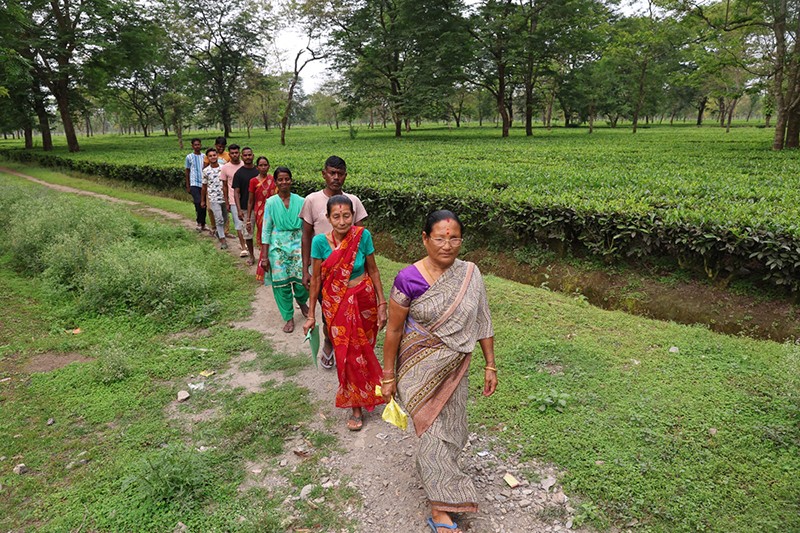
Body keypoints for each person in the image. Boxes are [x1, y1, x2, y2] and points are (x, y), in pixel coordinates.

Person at [380, 210, 497, 533]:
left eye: (454, 238)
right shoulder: (408, 279)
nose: (447, 245)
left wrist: (490, 363)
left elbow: (483, 321)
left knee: (453, 428)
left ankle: (445, 486)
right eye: (440, 238)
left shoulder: (470, 274)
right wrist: (388, 375)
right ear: (425, 238)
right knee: (432, 431)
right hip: (416, 371)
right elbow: (393, 331)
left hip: (455, 367)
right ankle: (439, 507)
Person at [303, 195, 387, 431]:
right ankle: (356, 406)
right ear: (328, 218)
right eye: (336, 216)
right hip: (336, 304)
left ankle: (372, 388)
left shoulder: (362, 236)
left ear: (353, 215)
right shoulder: (319, 243)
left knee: (364, 348)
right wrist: (311, 315)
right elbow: (317, 279)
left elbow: (374, 270)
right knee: (346, 354)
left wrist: (382, 304)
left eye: (347, 215)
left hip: (364, 300)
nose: (342, 221)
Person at [300, 156, 368, 368]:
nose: (335, 177)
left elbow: (360, 238)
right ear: (324, 174)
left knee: (354, 315)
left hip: (352, 274)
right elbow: (306, 236)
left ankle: (352, 351)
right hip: (324, 272)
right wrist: (306, 270)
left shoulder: (354, 201)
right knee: (330, 314)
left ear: (345, 176)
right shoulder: (312, 200)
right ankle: (329, 343)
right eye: (332, 173)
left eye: (340, 174)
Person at [260, 166, 310, 332]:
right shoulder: (271, 203)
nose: (284, 182)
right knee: (281, 285)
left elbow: (307, 228)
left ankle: (302, 302)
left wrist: (309, 252)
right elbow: (266, 229)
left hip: (298, 246)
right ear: (275, 182)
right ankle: (288, 317)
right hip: (278, 249)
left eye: (286, 179)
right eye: (280, 179)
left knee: (303, 281)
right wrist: (265, 257)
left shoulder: (301, 201)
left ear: (291, 180)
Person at [247, 156, 276, 281]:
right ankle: (263, 266)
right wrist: (248, 218)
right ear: (257, 167)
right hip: (260, 213)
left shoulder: (273, 179)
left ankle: (275, 266)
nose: (263, 167)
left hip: (274, 212)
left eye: (265, 165)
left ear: (269, 166)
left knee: (274, 237)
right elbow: (250, 200)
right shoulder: (253, 181)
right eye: (261, 165)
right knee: (264, 238)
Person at [219, 144, 248, 256]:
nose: (235, 155)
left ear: (239, 153)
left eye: (236, 153)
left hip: (246, 198)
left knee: (247, 222)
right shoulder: (225, 167)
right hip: (233, 199)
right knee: (238, 223)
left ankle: (247, 242)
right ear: (229, 154)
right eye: (232, 153)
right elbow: (225, 186)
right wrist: (226, 202)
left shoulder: (245, 165)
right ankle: (243, 246)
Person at [233, 147, 259, 265]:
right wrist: (238, 210)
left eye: (249, 155)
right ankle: (252, 256)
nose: (248, 157)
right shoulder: (239, 173)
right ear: (242, 157)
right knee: (248, 234)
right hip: (245, 208)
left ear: (253, 156)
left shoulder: (258, 171)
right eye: (245, 155)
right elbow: (236, 192)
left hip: (261, 207)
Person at [200, 148, 228, 249]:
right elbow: (204, 186)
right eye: (210, 156)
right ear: (208, 158)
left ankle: (219, 232)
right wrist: (203, 200)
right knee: (219, 218)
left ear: (217, 156)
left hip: (224, 197)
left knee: (225, 218)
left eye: (214, 155)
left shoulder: (224, 168)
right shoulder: (206, 171)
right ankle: (223, 240)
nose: (213, 157)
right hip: (213, 198)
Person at [204, 136, 230, 236]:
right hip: (211, 188)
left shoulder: (227, 156)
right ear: (215, 146)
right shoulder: (210, 154)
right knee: (210, 209)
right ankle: (214, 227)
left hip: (223, 186)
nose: (221, 148)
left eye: (223, 146)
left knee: (225, 210)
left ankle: (225, 231)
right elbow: (205, 169)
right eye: (219, 146)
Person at [184, 137, 206, 232]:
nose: (197, 146)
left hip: (204, 184)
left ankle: (203, 223)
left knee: (204, 204)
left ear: (200, 145)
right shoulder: (189, 157)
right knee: (198, 202)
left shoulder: (204, 156)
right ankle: (199, 222)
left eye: (198, 144)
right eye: (195, 145)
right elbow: (187, 171)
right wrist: (188, 185)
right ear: (192, 146)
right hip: (194, 183)